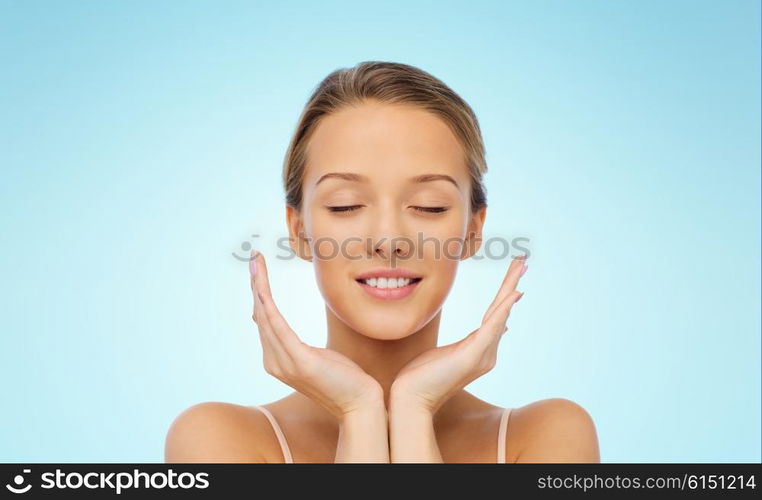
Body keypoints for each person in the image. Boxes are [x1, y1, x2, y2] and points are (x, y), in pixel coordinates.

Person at [165, 61, 600, 463]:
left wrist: (414, 408)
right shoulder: (218, 441)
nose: (389, 240)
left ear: (472, 231)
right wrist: (359, 411)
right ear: (298, 231)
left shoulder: (547, 437)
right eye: (346, 205)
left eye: (429, 206)